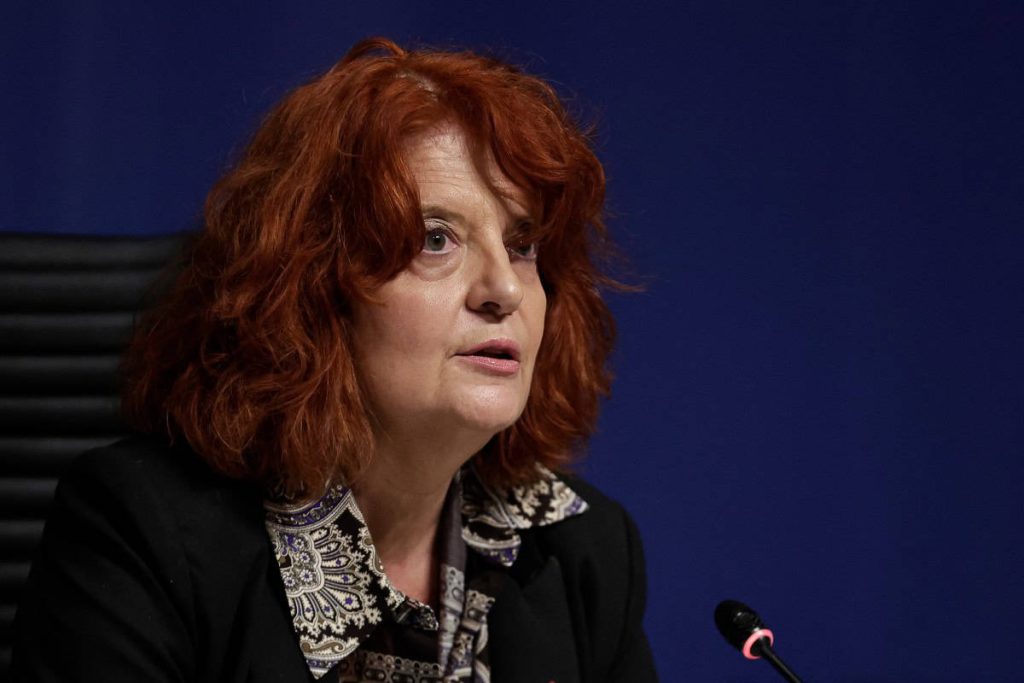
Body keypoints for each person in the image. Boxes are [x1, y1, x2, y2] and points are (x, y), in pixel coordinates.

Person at [11, 37, 657, 682]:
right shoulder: (141, 531)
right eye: (436, 239)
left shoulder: (584, 550)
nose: (505, 290)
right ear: (316, 288)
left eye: (522, 245)